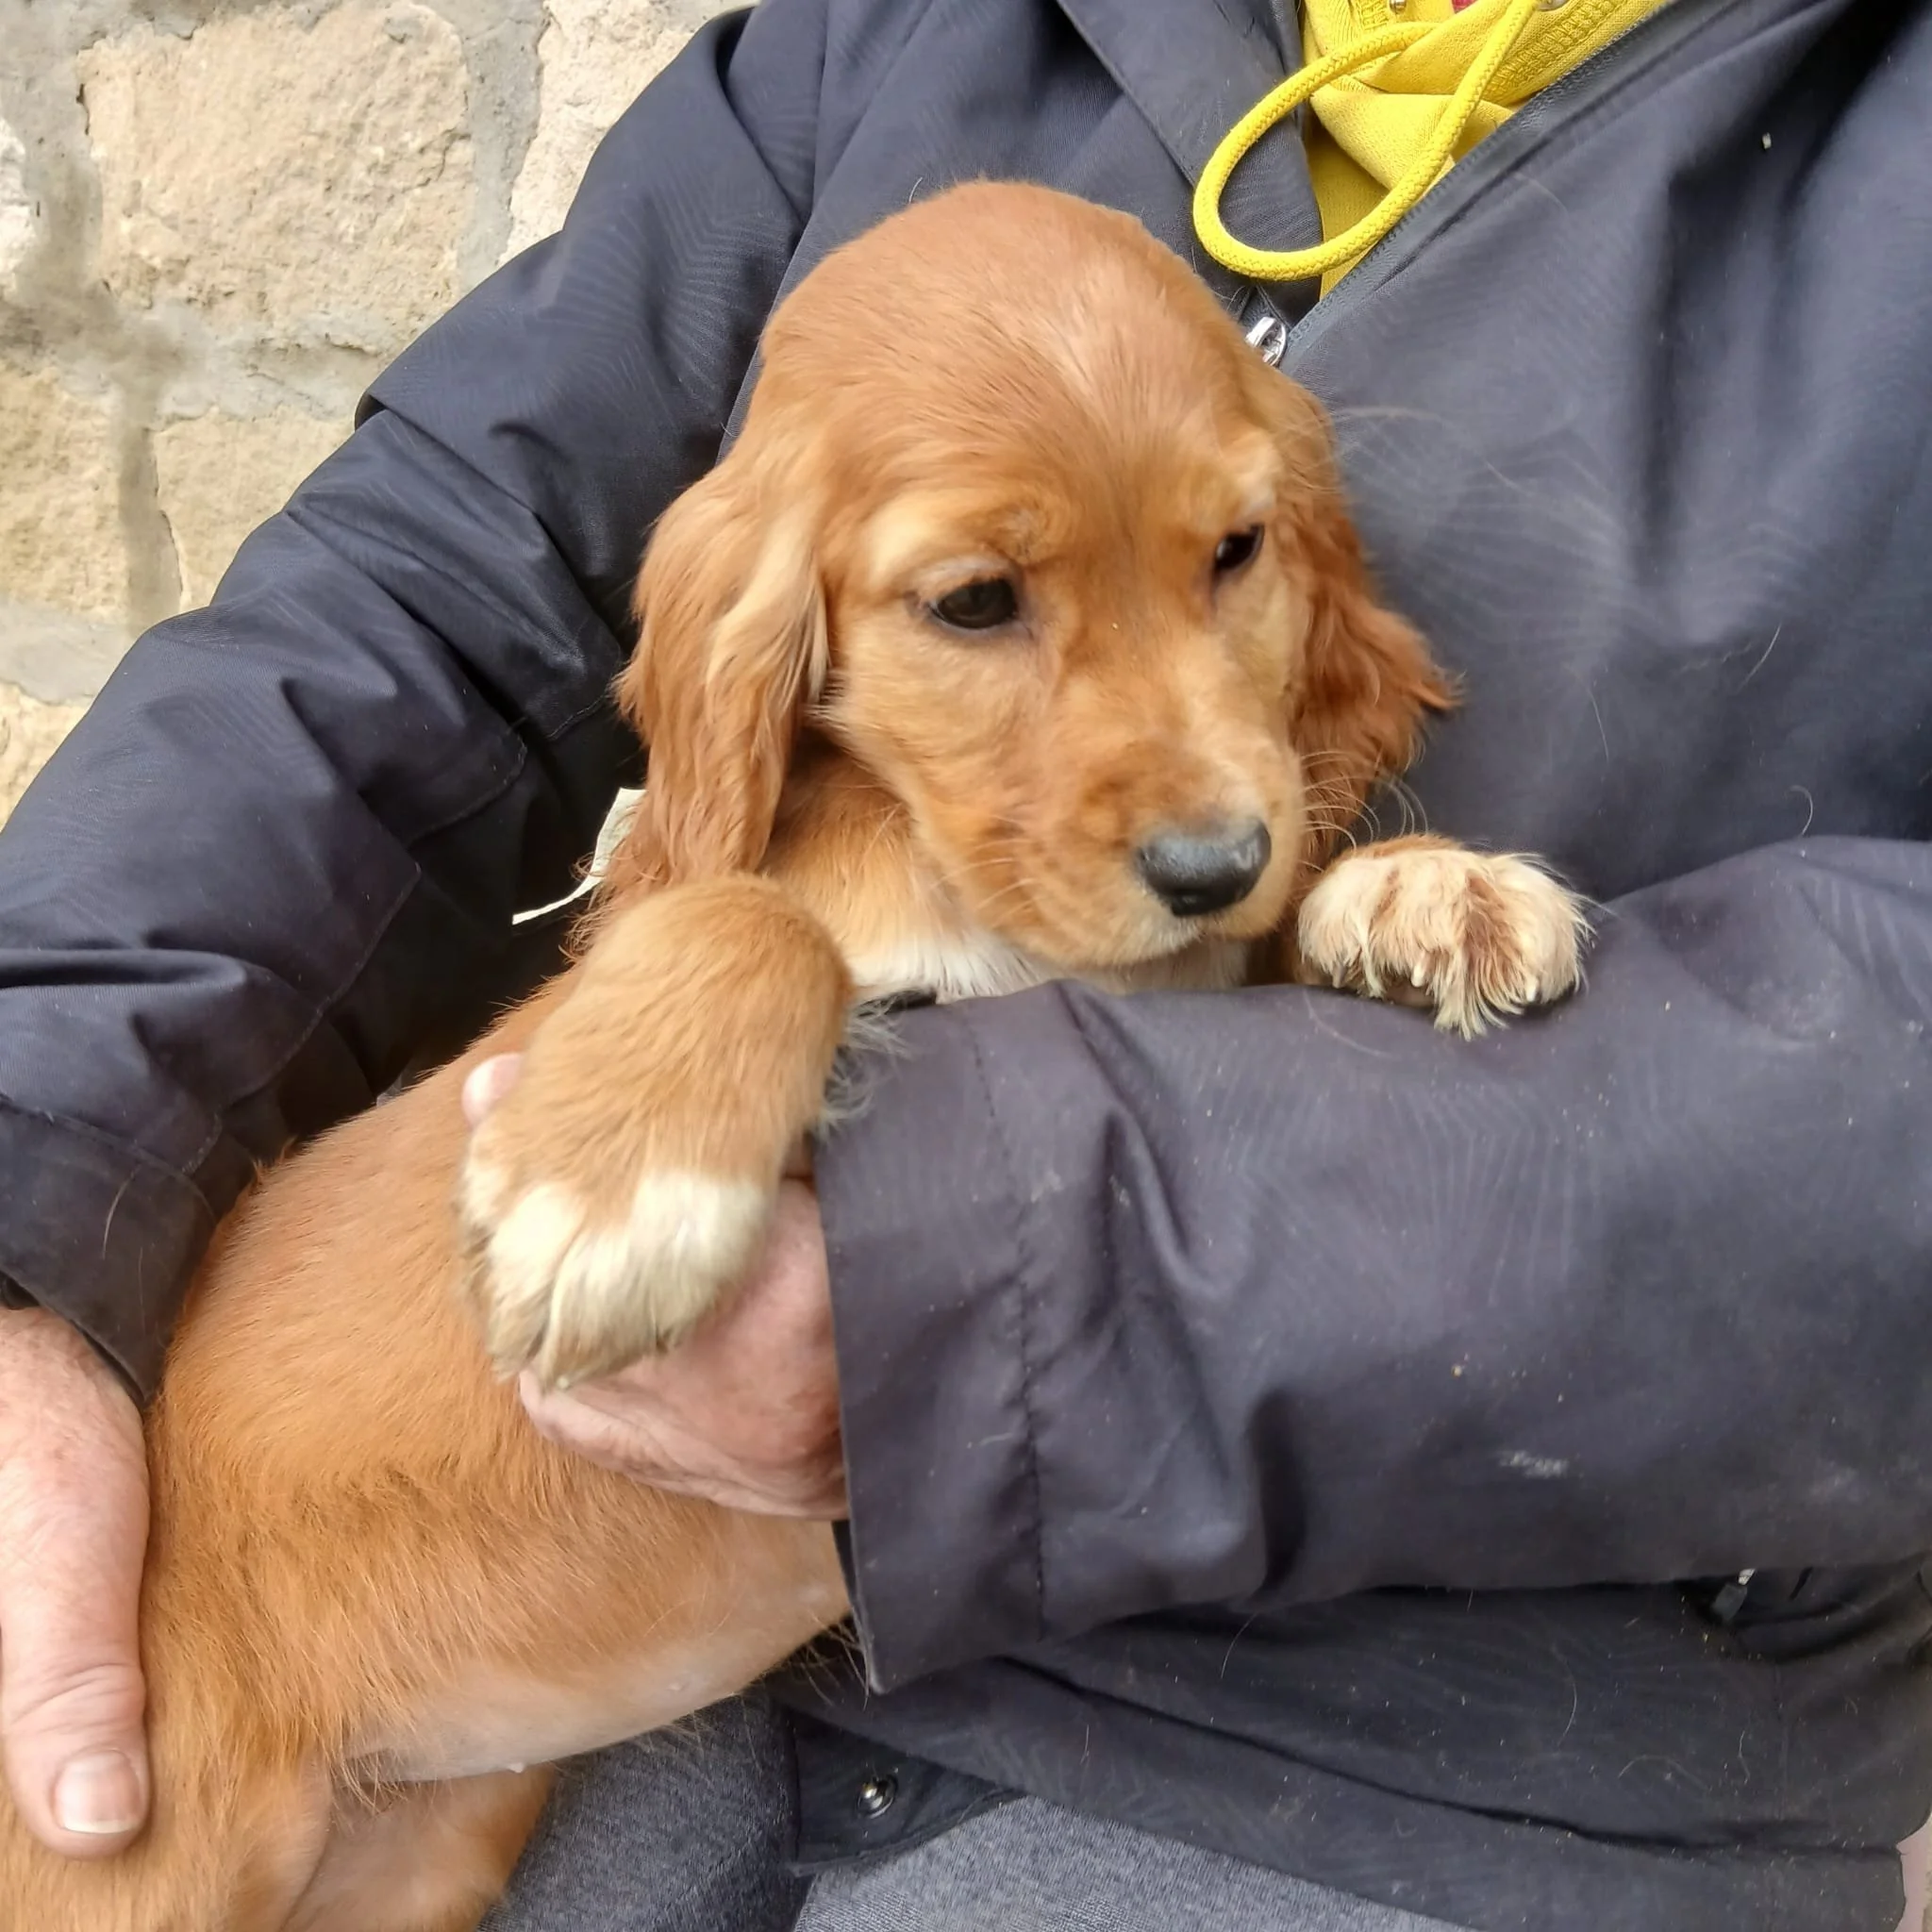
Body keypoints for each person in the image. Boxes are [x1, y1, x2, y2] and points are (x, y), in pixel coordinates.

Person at [3, 0, 1931, 1925]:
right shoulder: (906, 36)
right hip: (472, 1638)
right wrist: (31, 1190)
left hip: (1438, 1726)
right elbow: (436, 580)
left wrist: (1002, 1290)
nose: (1202, 812)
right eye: (978, 599)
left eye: (1233, 557)